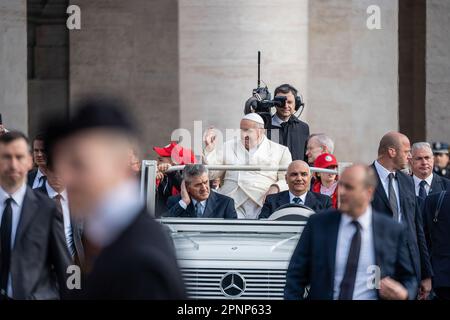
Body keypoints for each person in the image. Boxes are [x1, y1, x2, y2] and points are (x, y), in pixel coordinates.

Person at [44, 98, 185, 299]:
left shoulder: (142, 262)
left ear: (120, 164)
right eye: (61, 164)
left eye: (79, 164)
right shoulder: (105, 235)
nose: (66, 177)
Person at [284, 164, 417, 300]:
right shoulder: (318, 225)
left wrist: (404, 293)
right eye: (340, 185)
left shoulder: (391, 230)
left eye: (349, 187)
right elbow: (295, 276)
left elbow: (409, 278)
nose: (341, 192)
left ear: (369, 192)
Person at [0, 131, 71, 300]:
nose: (13, 165)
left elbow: (65, 267)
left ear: (29, 161)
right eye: (6, 157)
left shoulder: (46, 209)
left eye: (19, 157)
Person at [370, 131, 432, 299]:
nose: (410, 156)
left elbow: (417, 228)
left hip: (408, 266)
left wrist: (426, 274)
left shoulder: (407, 181)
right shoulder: (365, 178)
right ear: (392, 151)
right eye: (406, 152)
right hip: (374, 266)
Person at [203, 113, 292, 219]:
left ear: (261, 131)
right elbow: (212, 174)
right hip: (232, 200)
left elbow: (287, 180)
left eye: (247, 130)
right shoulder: (228, 146)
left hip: (262, 202)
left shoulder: (280, 150)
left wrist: (276, 187)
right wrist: (210, 149)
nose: (242, 134)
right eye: (241, 130)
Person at [35, 167, 85, 266]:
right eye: (53, 171)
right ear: (46, 171)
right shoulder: (33, 197)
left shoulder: (78, 198)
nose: (57, 176)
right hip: (42, 268)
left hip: (72, 266)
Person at [259, 160, 332, 219]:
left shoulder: (324, 202)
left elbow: (331, 227)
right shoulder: (271, 201)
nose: (299, 179)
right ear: (286, 179)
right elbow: (262, 226)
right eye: (294, 174)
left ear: (309, 179)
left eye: (303, 174)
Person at [165, 164, 237, 219]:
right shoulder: (175, 202)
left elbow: (234, 233)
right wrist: (184, 202)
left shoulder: (226, 203)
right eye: (198, 185)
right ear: (187, 187)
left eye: (206, 182)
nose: (204, 188)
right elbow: (163, 227)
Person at [268, 84, 310, 161]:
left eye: (289, 102)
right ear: (275, 103)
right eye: (282, 102)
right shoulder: (265, 126)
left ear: (296, 104)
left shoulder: (303, 128)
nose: (286, 106)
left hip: (296, 172)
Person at [153, 141, 196, 215]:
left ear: (174, 162)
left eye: (160, 160)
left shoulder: (187, 178)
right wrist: (154, 180)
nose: (156, 163)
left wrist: (171, 171)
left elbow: (186, 188)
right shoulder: (162, 176)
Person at [422, 191, 450, 300]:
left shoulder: (433, 200)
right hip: (441, 279)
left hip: (440, 277)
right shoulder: (434, 200)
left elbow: (423, 241)